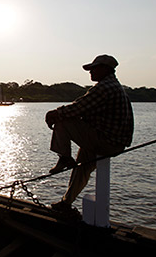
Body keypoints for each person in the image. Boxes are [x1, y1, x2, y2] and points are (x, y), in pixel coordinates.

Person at [45, 54, 134, 212]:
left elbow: (77, 107)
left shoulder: (105, 88)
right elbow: (84, 109)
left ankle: (64, 157)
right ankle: (66, 203)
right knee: (81, 169)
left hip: (106, 141)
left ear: (105, 70)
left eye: (93, 69)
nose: (90, 72)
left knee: (61, 119)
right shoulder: (113, 86)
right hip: (112, 141)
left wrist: (53, 114)